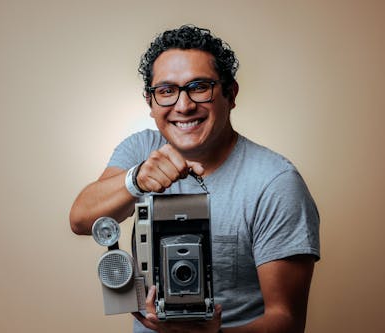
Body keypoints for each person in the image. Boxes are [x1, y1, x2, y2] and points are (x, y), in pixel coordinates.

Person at [70, 25, 320, 333]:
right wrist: (135, 180)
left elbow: (286, 321)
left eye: (199, 87)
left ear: (231, 93)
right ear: (150, 103)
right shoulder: (141, 150)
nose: (184, 105)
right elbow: (81, 220)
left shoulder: (274, 182)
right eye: (166, 91)